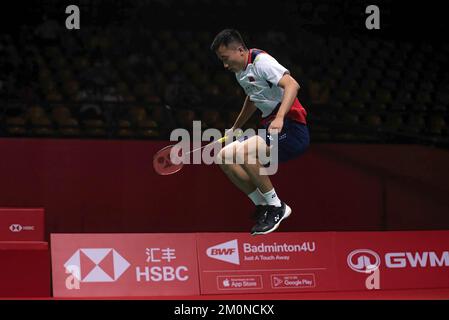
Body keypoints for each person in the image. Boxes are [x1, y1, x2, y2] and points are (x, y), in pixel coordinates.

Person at [211, 29, 309, 235]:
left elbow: (292, 85)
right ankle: (263, 204)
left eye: (225, 58)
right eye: (221, 60)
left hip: (291, 128)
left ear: (239, 50)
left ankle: (276, 206)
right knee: (224, 157)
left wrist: (281, 117)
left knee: (245, 152)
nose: (225, 65)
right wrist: (235, 128)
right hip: (271, 127)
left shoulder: (261, 61)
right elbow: (253, 98)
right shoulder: (240, 72)